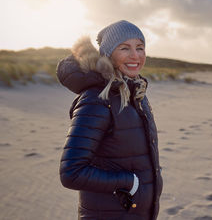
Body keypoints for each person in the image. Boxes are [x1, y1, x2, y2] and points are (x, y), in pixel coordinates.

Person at [56, 20, 163, 220]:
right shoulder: (96, 100)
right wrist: (129, 182)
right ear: (108, 54)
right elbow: (71, 172)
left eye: (140, 47)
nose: (135, 55)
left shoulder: (136, 94)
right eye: (124, 48)